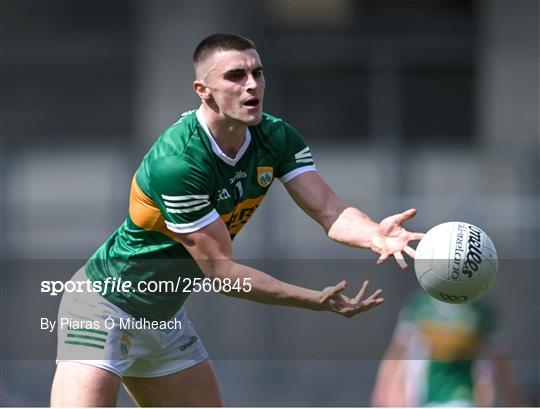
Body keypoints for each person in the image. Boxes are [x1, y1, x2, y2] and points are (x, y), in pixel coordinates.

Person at [51, 33, 423, 407]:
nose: (251, 85)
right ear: (203, 89)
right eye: (235, 76)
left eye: (257, 73)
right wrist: (313, 300)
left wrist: (374, 233)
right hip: (103, 307)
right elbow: (222, 273)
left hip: (163, 316)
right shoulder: (178, 163)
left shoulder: (276, 137)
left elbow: (329, 209)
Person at [371, 290, 523, 407]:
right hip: (421, 401)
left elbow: (501, 364)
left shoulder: (482, 310)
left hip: (464, 400)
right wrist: (383, 394)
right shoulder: (420, 304)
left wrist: (513, 402)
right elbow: (396, 355)